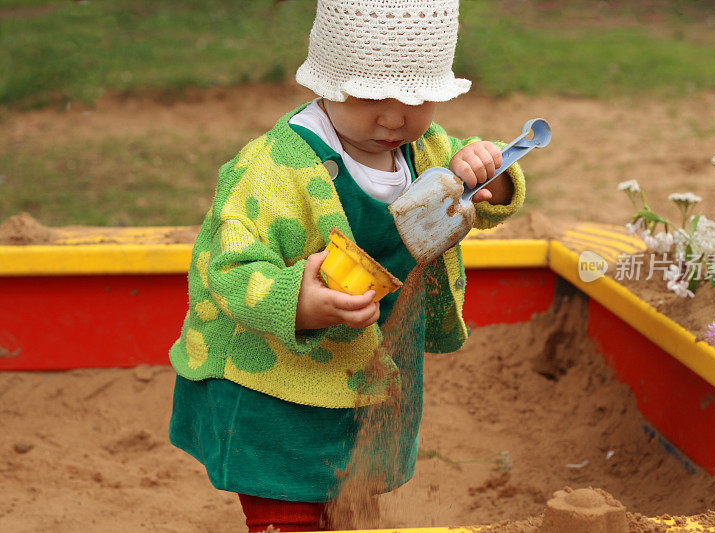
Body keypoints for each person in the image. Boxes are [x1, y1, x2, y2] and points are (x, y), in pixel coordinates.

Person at [168, 0, 528, 531]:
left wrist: (486, 173)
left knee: (352, 496)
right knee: (288, 507)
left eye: (416, 97)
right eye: (369, 96)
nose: (392, 117)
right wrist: (298, 301)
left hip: (367, 368)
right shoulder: (270, 169)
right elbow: (227, 268)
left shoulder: (424, 147)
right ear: (329, 85)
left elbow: (483, 192)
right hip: (273, 388)